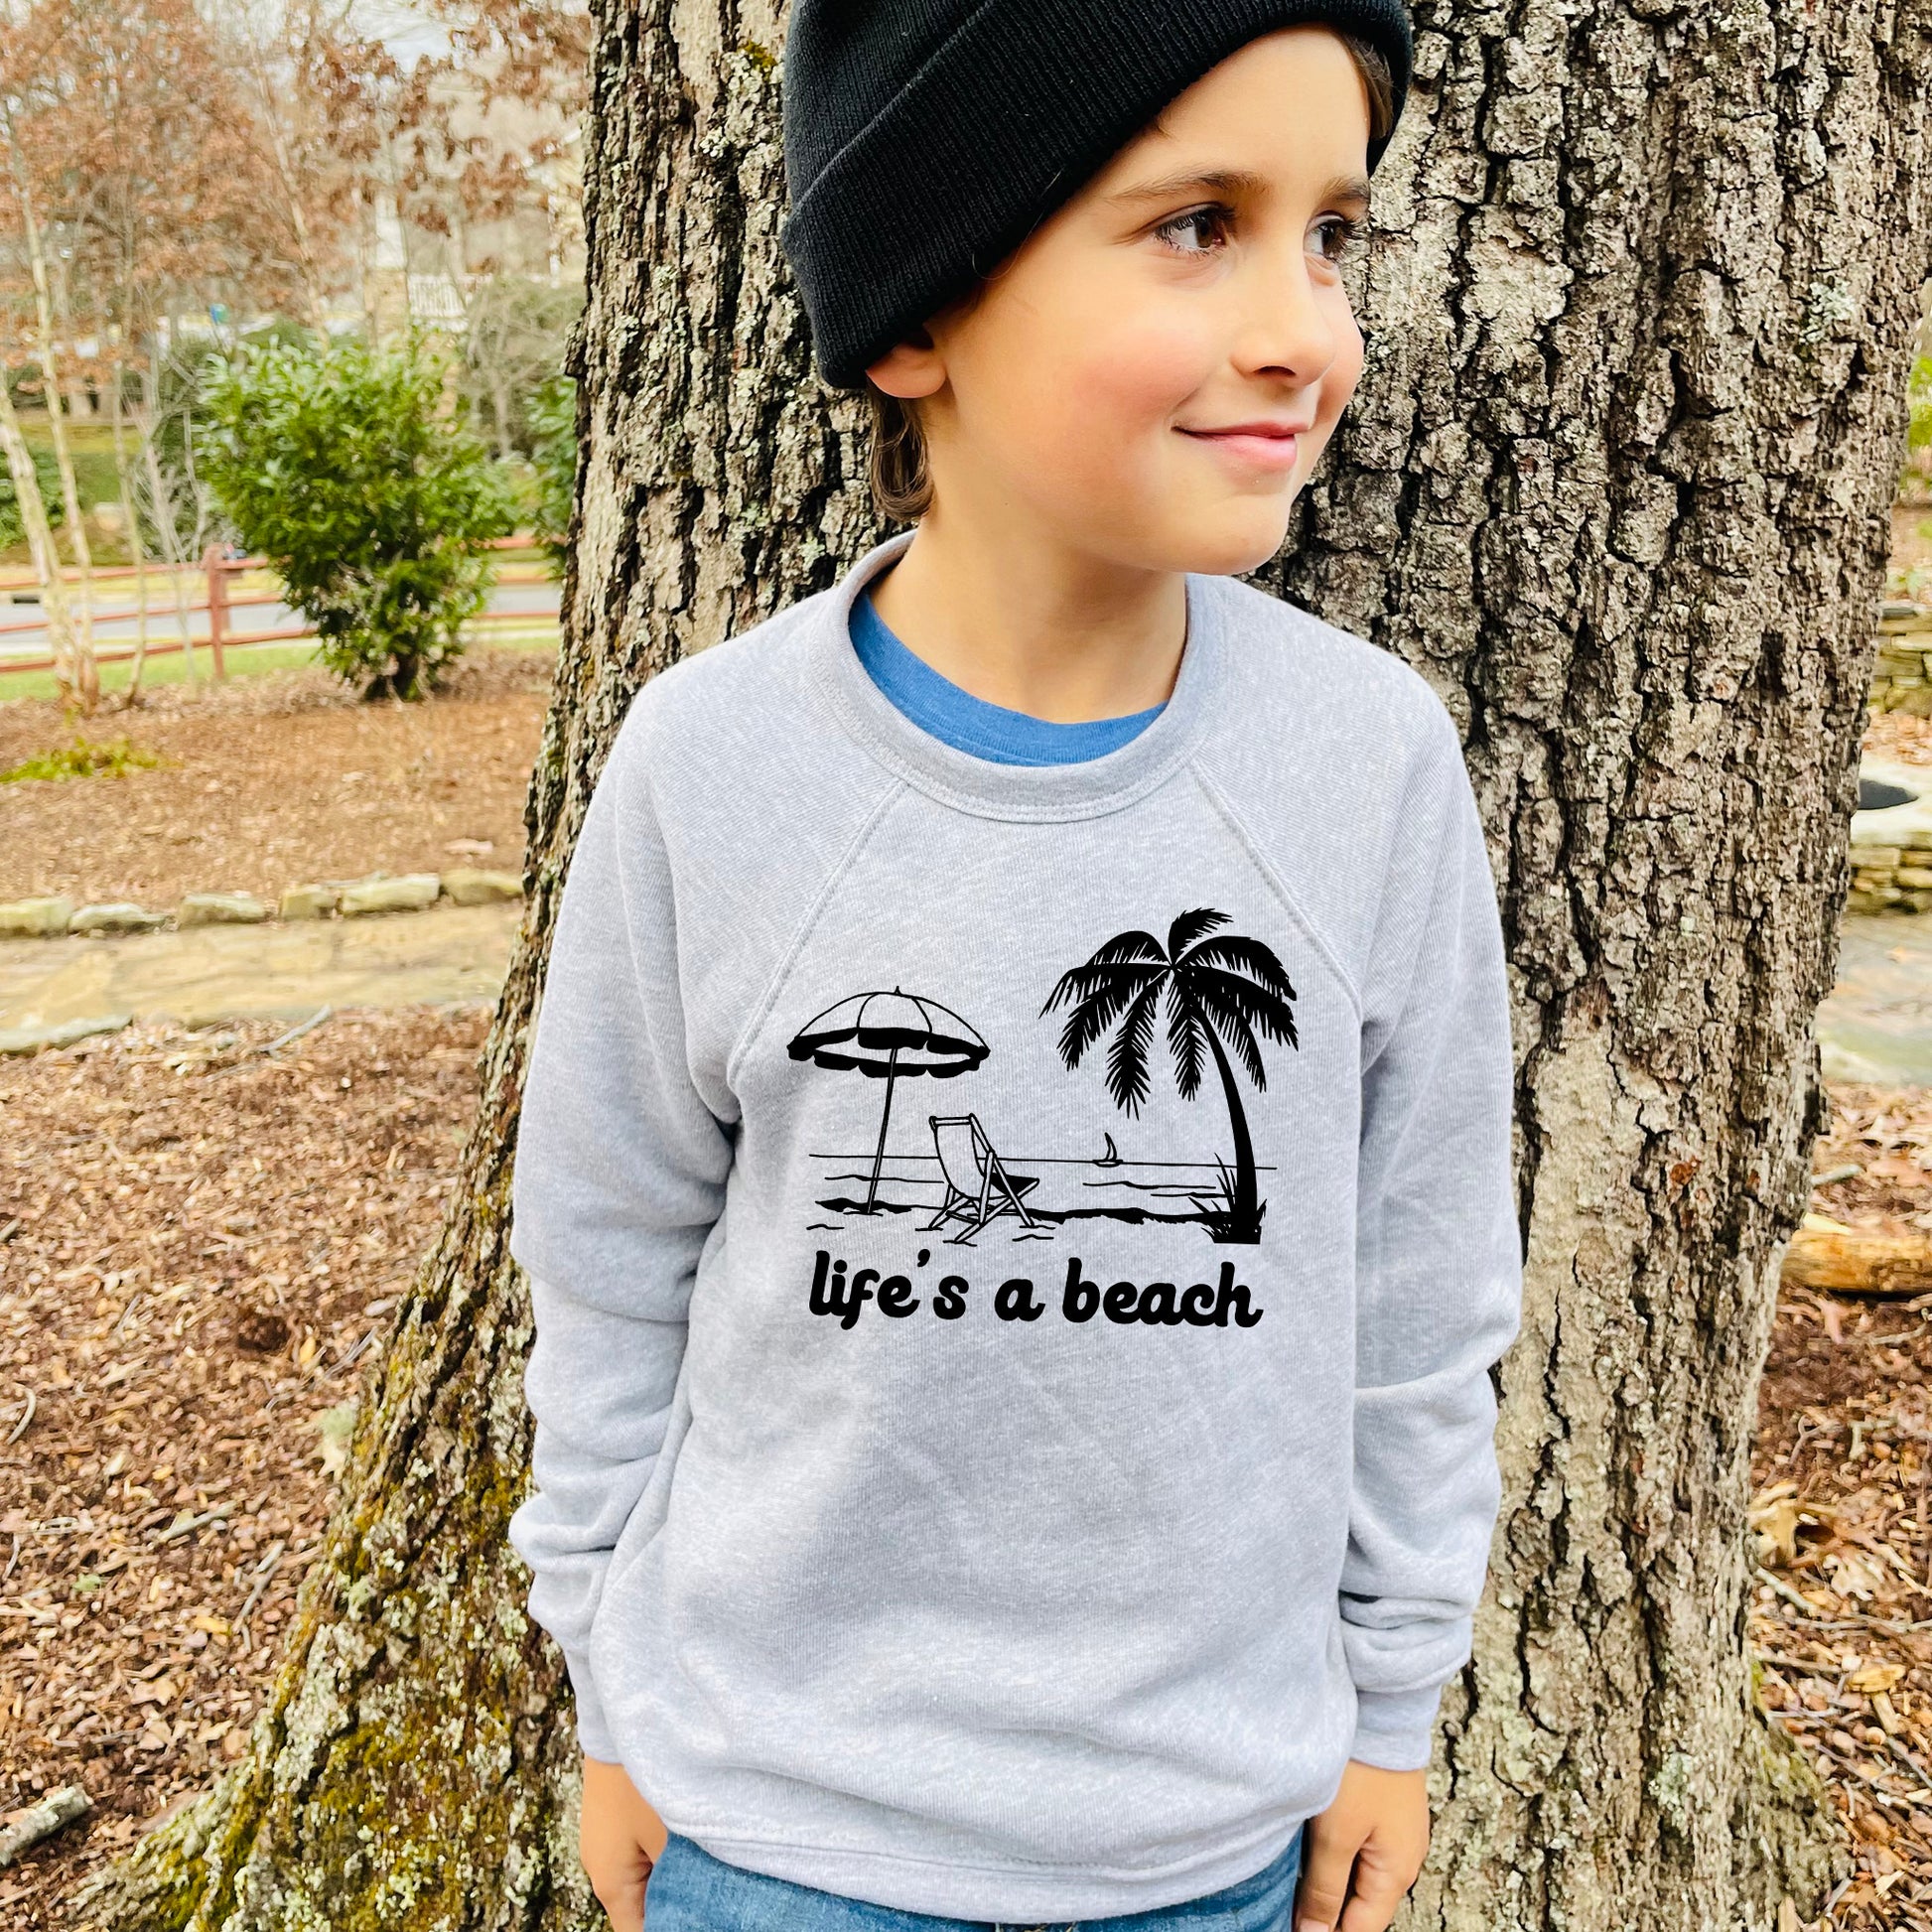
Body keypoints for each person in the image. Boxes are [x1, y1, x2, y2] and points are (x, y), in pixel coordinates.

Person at [507, 2, 1524, 1929]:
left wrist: (1390, 1705)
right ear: (917, 311)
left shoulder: (1368, 765)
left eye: (1331, 231)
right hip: (769, 1829)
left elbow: (1421, 1295)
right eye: (1191, 223)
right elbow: (607, 1253)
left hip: (1208, 1842)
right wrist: (611, 1689)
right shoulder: (710, 771)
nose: (1305, 331)